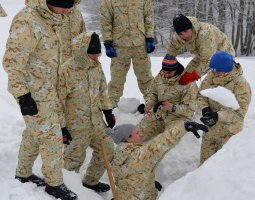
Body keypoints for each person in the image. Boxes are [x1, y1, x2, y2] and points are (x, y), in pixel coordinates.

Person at [2, 0, 77, 199]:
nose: (67, 10)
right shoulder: (28, 20)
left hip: (48, 89)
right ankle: (54, 183)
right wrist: (23, 96)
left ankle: (23, 173)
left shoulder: (53, 18)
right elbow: (12, 62)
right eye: (65, 5)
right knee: (51, 137)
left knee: (33, 133)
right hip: (32, 92)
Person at [58, 32, 115, 193]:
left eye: (98, 54)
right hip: (75, 125)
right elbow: (58, 102)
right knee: (73, 160)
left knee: (108, 150)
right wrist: (62, 127)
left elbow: (102, 89)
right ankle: (70, 189)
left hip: (96, 122)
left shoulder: (96, 66)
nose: (96, 58)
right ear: (82, 51)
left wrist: (107, 110)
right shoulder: (66, 70)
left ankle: (90, 181)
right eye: (93, 54)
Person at [108, 121, 208, 200]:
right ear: (128, 139)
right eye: (137, 133)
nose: (141, 135)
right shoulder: (139, 156)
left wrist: (147, 182)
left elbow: (128, 175)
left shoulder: (119, 154)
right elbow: (161, 143)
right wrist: (183, 126)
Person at [197, 51, 251, 164]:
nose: (214, 73)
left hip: (230, 134)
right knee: (204, 167)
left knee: (224, 168)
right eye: (213, 70)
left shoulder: (240, 84)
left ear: (227, 69)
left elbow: (239, 113)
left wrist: (217, 116)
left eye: (218, 71)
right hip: (210, 130)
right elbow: (200, 95)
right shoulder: (210, 77)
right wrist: (205, 109)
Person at [99, 0, 155, 108]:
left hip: (140, 45)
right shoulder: (108, 1)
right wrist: (108, 42)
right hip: (119, 46)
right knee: (116, 79)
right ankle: (111, 107)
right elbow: (105, 21)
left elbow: (149, 17)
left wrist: (150, 38)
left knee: (146, 77)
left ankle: (151, 103)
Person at [136, 54, 197, 141]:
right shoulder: (161, 75)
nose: (166, 75)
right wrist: (149, 104)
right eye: (164, 71)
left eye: (169, 73)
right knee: (136, 134)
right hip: (159, 114)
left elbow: (190, 111)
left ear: (176, 69)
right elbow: (152, 92)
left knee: (166, 141)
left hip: (178, 118)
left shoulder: (188, 82)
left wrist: (174, 108)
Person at [166, 14, 235, 85]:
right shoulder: (178, 37)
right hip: (202, 54)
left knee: (215, 81)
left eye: (186, 31)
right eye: (181, 33)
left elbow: (207, 60)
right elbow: (172, 48)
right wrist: (169, 61)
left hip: (223, 55)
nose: (185, 36)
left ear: (191, 28)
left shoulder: (205, 34)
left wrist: (194, 75)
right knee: (184, 76)